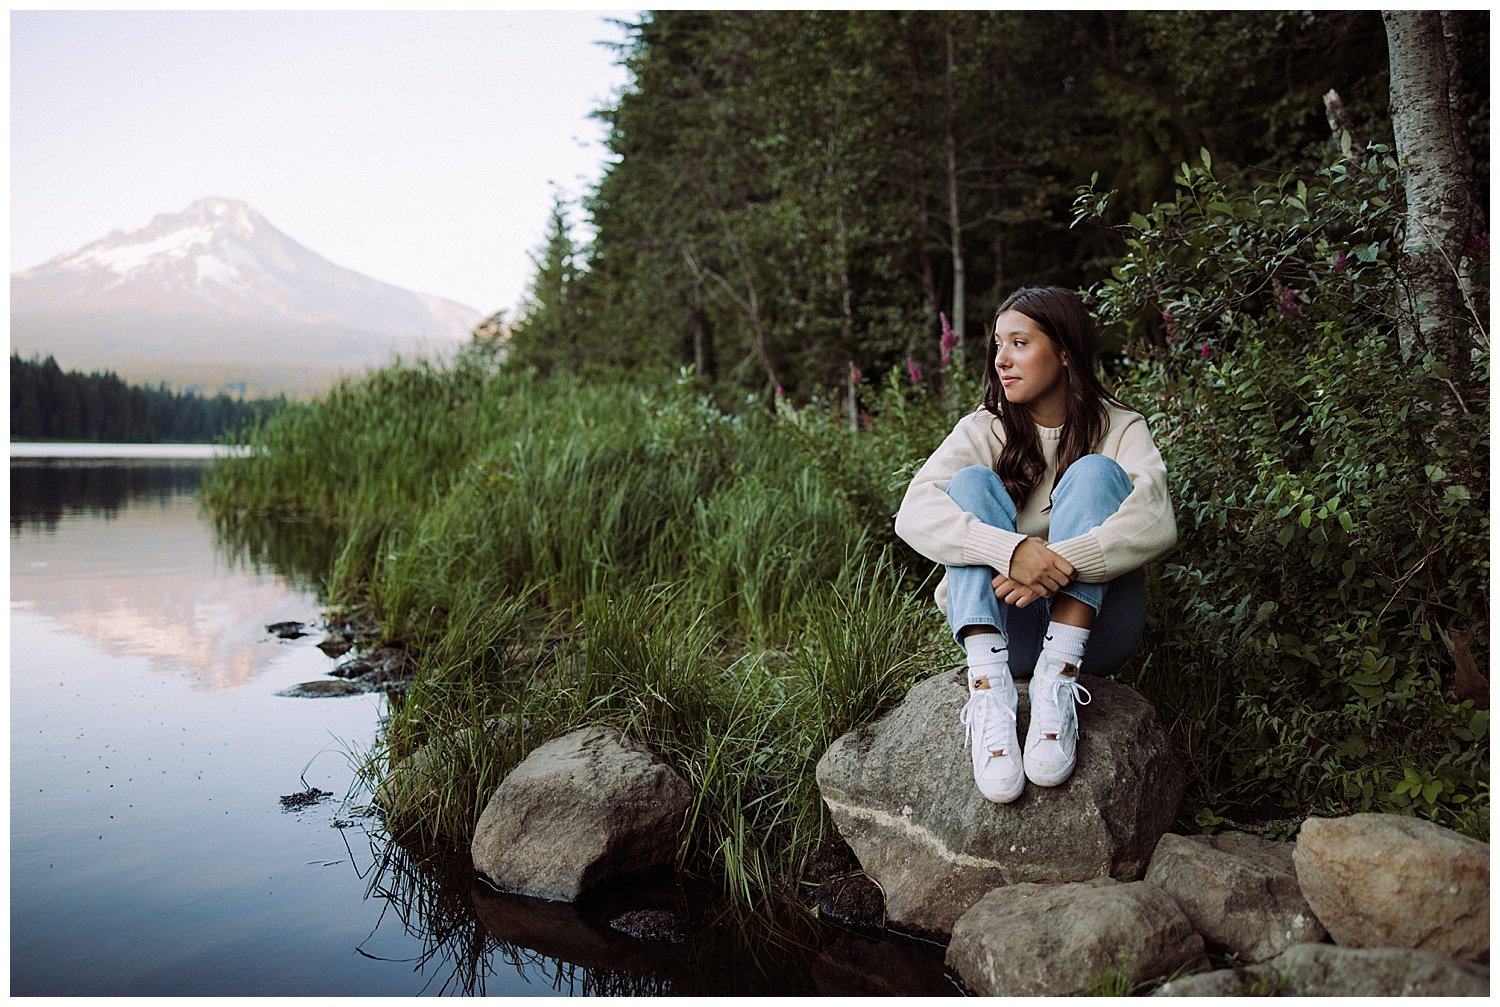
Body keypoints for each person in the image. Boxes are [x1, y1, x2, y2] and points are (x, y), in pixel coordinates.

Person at [894, 286, 1177, 804]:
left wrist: (1056, 562)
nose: (1002, 360)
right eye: (998, 345)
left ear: (1064, 350)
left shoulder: (1119, 426)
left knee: (1094, 475)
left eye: (1020, 343)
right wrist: (1009, 551)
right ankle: (989, 693)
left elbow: (1156, 520)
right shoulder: (985, 428)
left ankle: (1057, 683)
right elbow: (912, 513)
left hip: (1097, 635)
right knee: (972, 485)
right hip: (1009, 630)